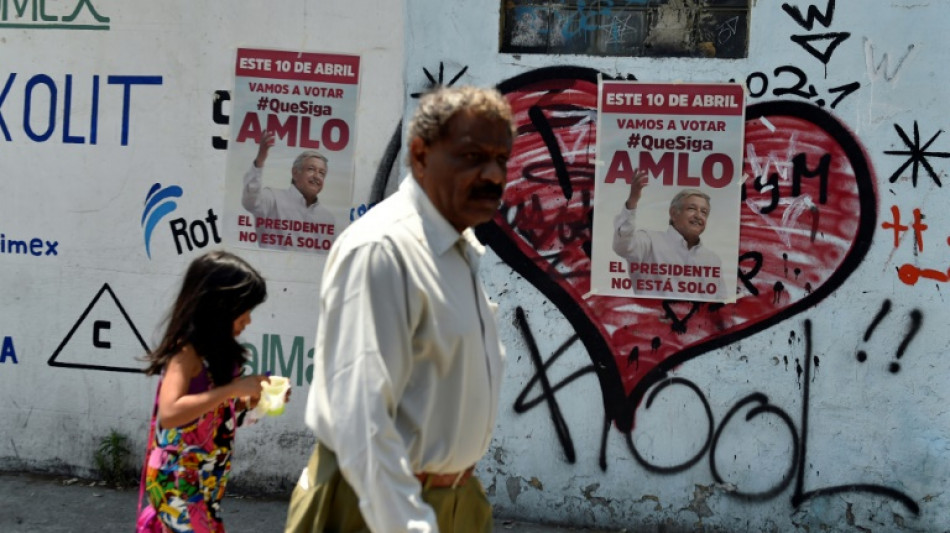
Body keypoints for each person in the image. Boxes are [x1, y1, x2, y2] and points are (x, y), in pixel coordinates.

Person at [284, 86, 514, 533]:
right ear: (421, 155)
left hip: (453, 501)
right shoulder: (383, 249)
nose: (492, 175)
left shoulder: (455, 251)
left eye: (501, 159)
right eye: (472, 156)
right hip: (378, 505)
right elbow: (361, 422)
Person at [142, 250, 289, 532]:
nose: (248, 320)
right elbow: (170, 414)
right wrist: (232, 389)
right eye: (244, 310)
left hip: (206, 483)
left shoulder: (221, 354)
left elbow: (215, 414)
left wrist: (251, 401)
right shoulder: (185, 354)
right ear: (219, 307)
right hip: (177, 484)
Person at [612, 169, 725, 299]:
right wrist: (632, 202)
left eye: (704, 212)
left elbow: (721, 302)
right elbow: (622, 246)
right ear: (673, 213)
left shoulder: (712, 259)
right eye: (692, 208)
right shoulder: (649, 241)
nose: (698, 216)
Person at [241, 131, 336, 252]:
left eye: (322, 173)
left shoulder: (327, 217)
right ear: (295, 173)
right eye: (311, 169)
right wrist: (259, 162)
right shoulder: (273, 198)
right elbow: (250, 202)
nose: (317, 176)